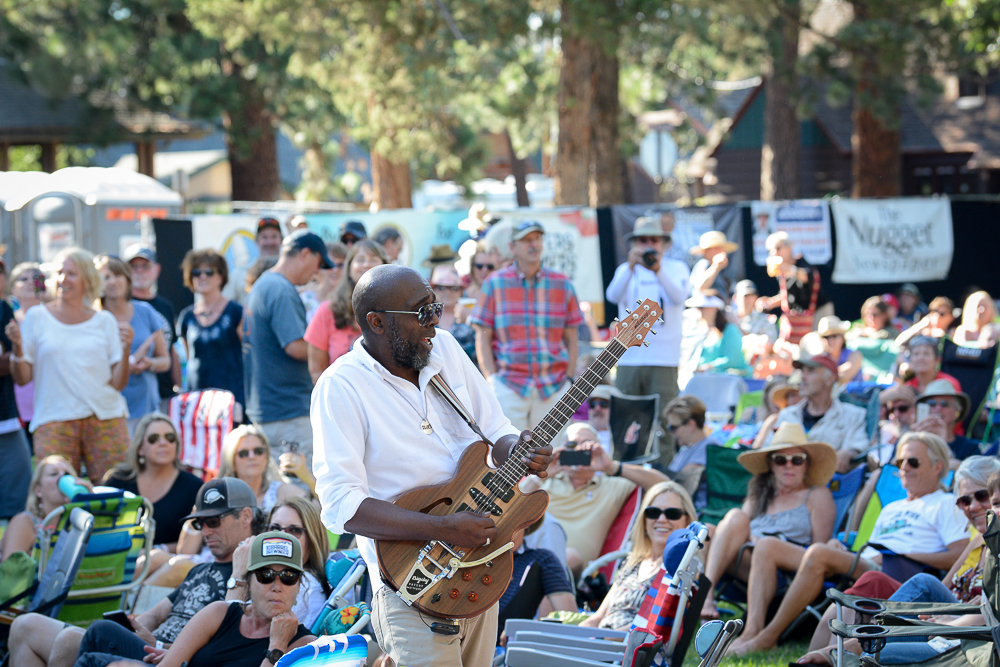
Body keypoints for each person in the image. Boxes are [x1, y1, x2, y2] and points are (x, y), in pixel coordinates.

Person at [312, 264, 555, 667]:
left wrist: (519, 446)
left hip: (480, 564)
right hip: (410, 584)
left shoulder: (442, 348)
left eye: (435, 308)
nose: (435, 322)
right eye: (422, 312)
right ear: (377, 323)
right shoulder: (341, 387)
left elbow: (496, 430)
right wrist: (442, 528)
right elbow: (341, 505)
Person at [729, 432, 969, 655]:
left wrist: (907, 553)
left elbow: (958, 555)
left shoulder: (945, 503)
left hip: (899, 572)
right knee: (772, 545)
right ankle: (757, 631)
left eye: (913, 462)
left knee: (818, 553)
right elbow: (872, 547)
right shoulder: (893, 507)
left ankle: (769, 636)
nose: (904, 468)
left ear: (938, 467)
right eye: (900, 462)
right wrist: (841, 547)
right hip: (865, 561)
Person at [8, 478, 258, 667]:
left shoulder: (257, 576)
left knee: (73, 638)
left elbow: (224, 647)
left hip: (169, 657)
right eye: (199, 523)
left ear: (245, 516)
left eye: (213, 521)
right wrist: (132, 627)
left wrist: (158, 644)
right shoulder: (201, 569)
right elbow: (157, 613)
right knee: (24, 625)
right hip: (146, 646)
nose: (205, 531)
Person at [801, 456, 1000, 663]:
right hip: (952, 618)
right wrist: (936, 618)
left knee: (890, 589)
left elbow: (990, 613)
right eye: (965, 500)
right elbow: (942, 589)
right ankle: (847, 646)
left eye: (983, 497)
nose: (973, 506)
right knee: (902, 583)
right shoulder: (977, 540)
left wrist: (953, 619)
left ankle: (855, 645)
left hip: (970, 631)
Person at [74, 531, 315, 667]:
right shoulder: (221, 613)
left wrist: (276, 648)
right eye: (265, 575)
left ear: (299, 585)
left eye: (288, 576)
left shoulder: (302, 645)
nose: (277, 586)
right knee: (97, 642)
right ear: (249, 581)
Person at [6, 247, 132, 483]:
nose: (63, 279)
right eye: (59, 272)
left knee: (114, 489)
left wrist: (126, 349)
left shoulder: (104, 320)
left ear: (88, 279)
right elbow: (23, 378)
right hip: (54, 420)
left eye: (72, 273)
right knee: (56, 493)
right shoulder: (36, 317)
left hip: (105, 417)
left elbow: (118, 383)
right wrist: (18, 347)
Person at [700, 423, 836, 622]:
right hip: (746, 561)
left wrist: (764, 543)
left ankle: (704, 597)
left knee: (750, 531)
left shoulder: (818, 496)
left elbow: (818, 551)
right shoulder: (760, 494)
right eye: (781, 460)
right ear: (771, 465)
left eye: (797, 460)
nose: (788, 466)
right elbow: (739, 525)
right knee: (707, 532)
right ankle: (703, 598)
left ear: (807, 465)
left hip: (786, 568)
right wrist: (752, 538)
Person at [470, 220, 583, 433]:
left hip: (553, 386)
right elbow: (482, 335)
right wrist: (491, 379)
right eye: (526, 240)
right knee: (507, 458)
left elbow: (572, 337)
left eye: (537, 239)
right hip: (509, 385)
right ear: (512, 247)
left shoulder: (562, 284)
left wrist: (568, 378)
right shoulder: (495, 283)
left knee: (549, 459)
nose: (534, 245)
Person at [522, 423, 669, 575]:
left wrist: (611, 467)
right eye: (572, 444)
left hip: (572, 570)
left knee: (570, 556)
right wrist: (541, 476)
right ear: (562, 449)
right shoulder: (544, 481)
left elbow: (666, 485)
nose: (579, 449)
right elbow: (510, 505)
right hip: (527, 559)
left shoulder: (612, 485)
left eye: (586, 445)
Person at [243, 230, 332, 470]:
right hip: (288, 413)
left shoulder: (264, 284)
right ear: (305, 254)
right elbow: (296, 347)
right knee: (300, 496)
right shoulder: (281, 289)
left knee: (279, 493)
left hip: (270, 409)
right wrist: (333, 346)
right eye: (319, 264)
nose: (318, 272)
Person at [604, 215, 689, 465]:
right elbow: (612, 295)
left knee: (664, 420)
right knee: (626, 418)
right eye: (643, 240)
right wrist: (631, 268)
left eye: (654, 240)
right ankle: (627, 473)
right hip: (629, 357)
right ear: (633, 244)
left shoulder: (676, 268)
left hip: (664, 357)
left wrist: (658, 270)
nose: (649, 245)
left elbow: (678, 297)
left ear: (665, 243)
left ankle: (663, 474)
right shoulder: (625, 270)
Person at [580, 481, 699, 631]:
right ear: (644, 519)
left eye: (672, 513)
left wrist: (600, 638)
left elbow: (652, 628)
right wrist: (574, 637)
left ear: (687, 520)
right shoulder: (632, 562)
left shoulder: (684, 569)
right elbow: (597, 617)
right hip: (600, 642)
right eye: (653, 512)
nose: (661, 519)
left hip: (633, 650)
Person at [103, 413, 203, 552]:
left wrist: (154, 551)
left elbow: (199, 539)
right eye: (153, 438)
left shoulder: (194, 486)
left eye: (170, 437)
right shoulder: (118, 481)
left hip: (168, 565)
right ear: (140, 449)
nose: (163, 443)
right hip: (118, 559)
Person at [94, 255, 170, 431]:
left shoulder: (146, 311)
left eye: (118, 275)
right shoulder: (93, 319)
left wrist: (149, 363)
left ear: (127, 279)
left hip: (146, 407)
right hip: (109, 410)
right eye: (106, 277)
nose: (112, 282)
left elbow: (165, 361)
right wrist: (127, 362)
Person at [304, 239, 388, 382]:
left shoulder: (397, 309)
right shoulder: (327, 311)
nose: (366, 265)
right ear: (349, 269)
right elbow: (317, 371)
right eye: (360, 259)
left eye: (373, 259)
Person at [769, 353, 869, 473]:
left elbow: (857, 445)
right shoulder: (787, 415)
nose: (803, 377)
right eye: (802, 372)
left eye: (810, 372)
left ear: (829, 380)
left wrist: (848, 453)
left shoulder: (853, 415)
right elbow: (768, 449)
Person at [248, 498, 332, 628]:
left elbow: (248, 630)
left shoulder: (307, 586)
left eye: (294, 530)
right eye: (275, 528)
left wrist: (237, 576)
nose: (281, 536)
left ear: (312, 539)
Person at [177, 249, 245, 409]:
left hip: (231, 398)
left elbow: (248, 354)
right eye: (196, 272)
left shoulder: (236, 312)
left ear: (220, 277)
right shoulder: (186, 316)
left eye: (209, 272)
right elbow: (189, 357)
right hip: (197, 400)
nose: (202, 277)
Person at [497, 517, 576, 639]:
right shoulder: (471, 556)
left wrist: (529, 628)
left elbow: (570, 621)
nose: (502, 523)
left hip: (504, 648)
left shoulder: (542, 559)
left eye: (511, 517)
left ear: (527, 521)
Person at [0, 455, 89, 562]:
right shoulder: (25, 522)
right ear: (38, 490)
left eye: (67, 474)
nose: (62, 477)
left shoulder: (80, 522)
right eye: (54, 474)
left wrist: (89, 500)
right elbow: (10, 571)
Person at [124, 244, 178, 410]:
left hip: (164, 394)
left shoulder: (165, 306)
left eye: (145, 266)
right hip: (133, 396)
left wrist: (179, 387)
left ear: (156, 269)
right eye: (134, 267)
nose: (140, 271)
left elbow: (171, 350)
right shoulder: (123, 306)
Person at [756, 232, 831, 346]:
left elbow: (806, 276)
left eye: (777, 248)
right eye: (770, 250)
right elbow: (789, 295)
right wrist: (770, 303)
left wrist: (788, 269)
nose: (774, 253)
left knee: (818, 349)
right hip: (799, 321)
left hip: (819, 312)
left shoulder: (800, 263)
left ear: (789, 247)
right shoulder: (781, 272)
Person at [0, 269, 29, 523]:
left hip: (6, 418)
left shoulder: (3, 309)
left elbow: (15, 367)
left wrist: (13, 350)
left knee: (19, 498)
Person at [9, 263, 48, 437]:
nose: (31, 283)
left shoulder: (56, 318)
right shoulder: (9, 323)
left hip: (49, 405)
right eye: (23, 279)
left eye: (37, 278)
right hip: (17, 407)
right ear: (13, 289)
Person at [663, 395, 720, 509]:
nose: (672, 433)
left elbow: (679, 483)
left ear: (690, 425)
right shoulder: (686, 449)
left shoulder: (709, 448)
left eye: (673, 428)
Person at [912, 379, 980, 462]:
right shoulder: (913, 439)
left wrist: (943, 445)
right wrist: (914, 440)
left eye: (945, 404)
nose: (938, 408)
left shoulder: (970, 448)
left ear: (957, 412)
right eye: (932, 403)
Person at [687, 293, 750, 375]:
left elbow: (733, 360)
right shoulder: (701, 332)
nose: (699, 311)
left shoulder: (730, 330)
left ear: (715, 309)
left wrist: (708, 367)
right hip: (703, 379)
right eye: (697, 308)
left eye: (702, 307)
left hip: (726, 381)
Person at [225, 217, 284, 305]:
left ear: (282, 240)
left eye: (274, 236)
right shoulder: (239, 274)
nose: (270, 242)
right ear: (257, 241)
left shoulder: (292, 273)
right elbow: (226, 307)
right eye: (264, 237)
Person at [429, 265, 477, 365]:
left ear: (461, 290)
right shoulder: (426, 316)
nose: (448, 292)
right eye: (441, 287)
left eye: (454, 288)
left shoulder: (470, 313)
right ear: (433, 289)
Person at [299, 242, 346, 324]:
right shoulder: (304, 299)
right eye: (330, 264)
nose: (335, 270)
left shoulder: (350, 301)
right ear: (319, 267)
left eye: (340, 265)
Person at [813, 316, 862, 384]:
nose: (830, 340)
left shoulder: (855, 355)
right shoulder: (821, 358)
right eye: (826, 337)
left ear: (842, 338)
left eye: (834, 336)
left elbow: (844, 376)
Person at [689, 230, 738, 297]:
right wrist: (716, 267)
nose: (721, 251)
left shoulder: (724, 268)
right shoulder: (703, 263)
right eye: (716, 248)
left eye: (722, 248)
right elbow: (700, 286)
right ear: (706, 251)